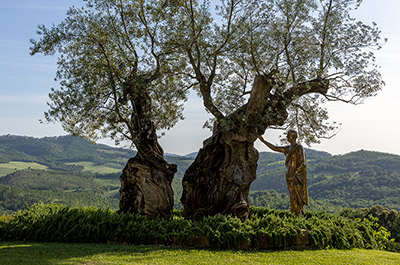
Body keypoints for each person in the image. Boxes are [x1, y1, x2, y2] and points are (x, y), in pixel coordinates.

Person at [258, 130, 308, 216]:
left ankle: (298, 216)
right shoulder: (288, 149)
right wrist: (263, 141)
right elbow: (275, 148)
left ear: (293, 137)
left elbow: (303, 163)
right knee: (292, 198)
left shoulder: (299, 148)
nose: (287, 137)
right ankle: (295, 217)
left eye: (289, 135)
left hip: (296, 177)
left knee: (297, 198)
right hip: (289, 176)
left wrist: (294, 174)